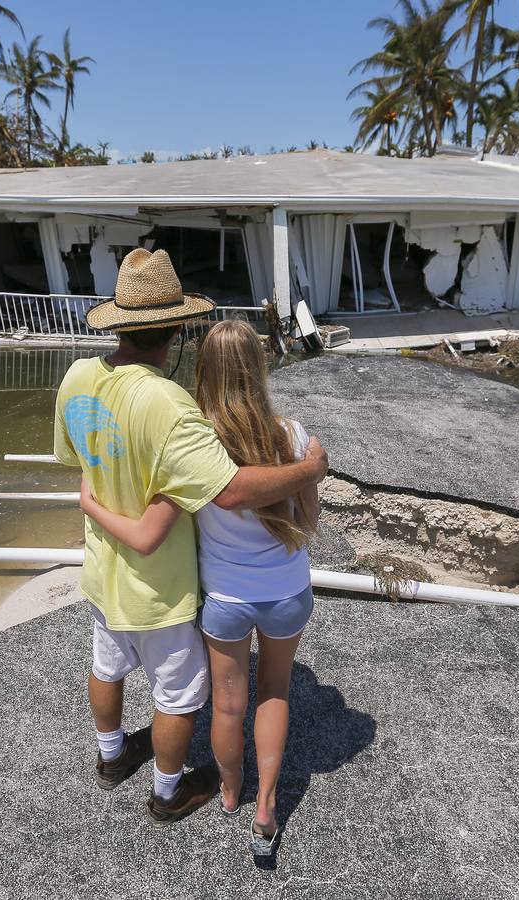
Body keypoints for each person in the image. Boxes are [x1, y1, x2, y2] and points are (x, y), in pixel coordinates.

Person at [54, 248, 327, 825]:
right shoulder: (170, 406)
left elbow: (79, 457)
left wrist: (92, 498)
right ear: (175, 330)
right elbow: (229, 490)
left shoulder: (77, 376)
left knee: (107, 666)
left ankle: (111, 757)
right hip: (160, 588)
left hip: (103, 571)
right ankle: (169, 791)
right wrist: (308, 469)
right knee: (177, 697)